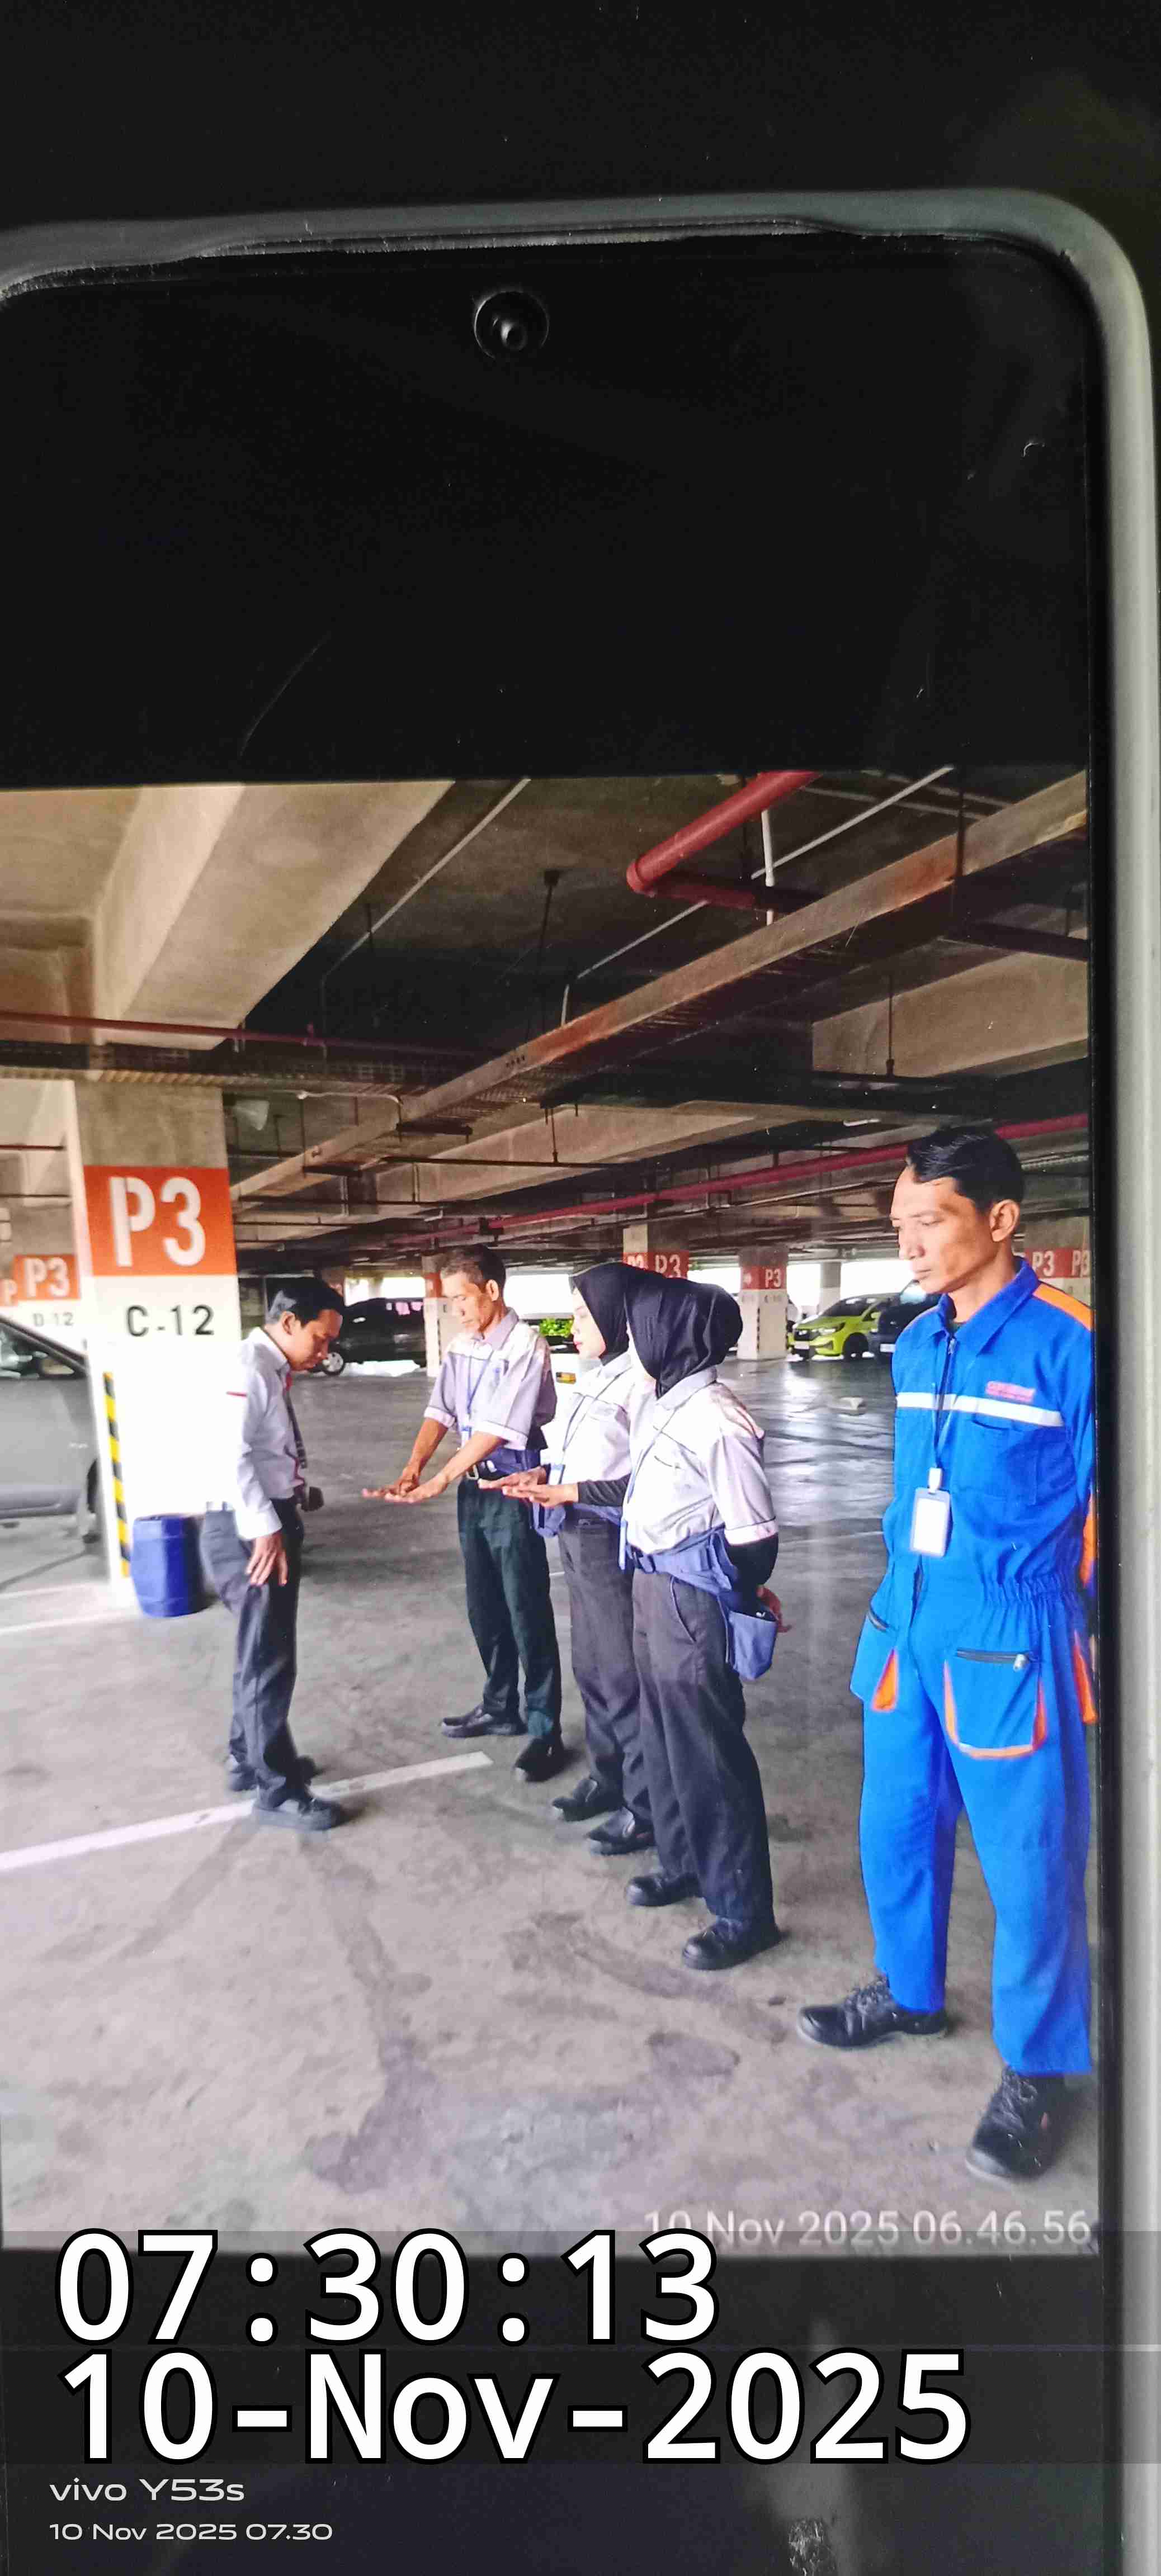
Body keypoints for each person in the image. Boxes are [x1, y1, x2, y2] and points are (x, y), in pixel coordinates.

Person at [797, 1126, 1097, 2183]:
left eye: (930, 1221)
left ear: (1001, 1220)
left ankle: (1042, 2066)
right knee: (894, 1828)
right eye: (899, 1225)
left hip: (1012, 1630)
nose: (910, 1244)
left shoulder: (1074, 1344)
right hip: (907, 1621)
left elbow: (1118, 1518)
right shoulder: (920, 1341)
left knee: (1030, 1864)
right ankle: (910, 1991)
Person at [606, 1269, 785, 1970]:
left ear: (671, 1335)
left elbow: (755, 1538)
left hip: (690, 1595)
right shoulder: (665, 1403)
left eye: (640, 1329)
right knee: (663, 1734)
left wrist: (732, 1589)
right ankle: (683, 1861)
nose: (632, 1341)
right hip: (653, 1584)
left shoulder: (717, 1418)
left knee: (709, 1750)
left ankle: (743, 1910)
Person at [364, 1244, 565, 1782]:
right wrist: (414, 1467)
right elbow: (442, 1410)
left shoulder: (526, 1346)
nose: (456, 1310)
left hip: (514, 1486)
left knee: (526, 1607)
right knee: (485, 1605)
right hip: (474, 1490)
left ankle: (544, 1729)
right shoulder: (463, 1346)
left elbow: (497, 1429)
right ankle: (500, 1706)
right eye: (449, 1300)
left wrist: (441, 1478)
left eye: (462, 1298)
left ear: (492, 1291)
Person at [499, 1262, 653, 1855]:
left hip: (608, 1538)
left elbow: (644, 1479)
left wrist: (572, 1491)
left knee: (621, 1673)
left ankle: (644, 1805)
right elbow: (578, 1454)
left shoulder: (643, 1383)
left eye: (585, 1314)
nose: (574, 1325)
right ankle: (607, 1776)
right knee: (591, 1665)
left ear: (619, 1317)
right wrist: (545, 1474)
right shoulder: (595, 1378)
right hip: (575, 1533)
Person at [200, 1278, 348, 1834]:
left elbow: (262, 1451)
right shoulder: (250, 1370)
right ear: (288, 1323)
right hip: (251, 1527)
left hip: (257, 1518)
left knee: (258, 1649)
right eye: (320, 1338)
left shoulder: (267, 1366)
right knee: (269, 1658)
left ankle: (248, 1756)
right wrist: (267, 1529)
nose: (324, 1351)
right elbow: (229, 1456)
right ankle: (277, 1789)